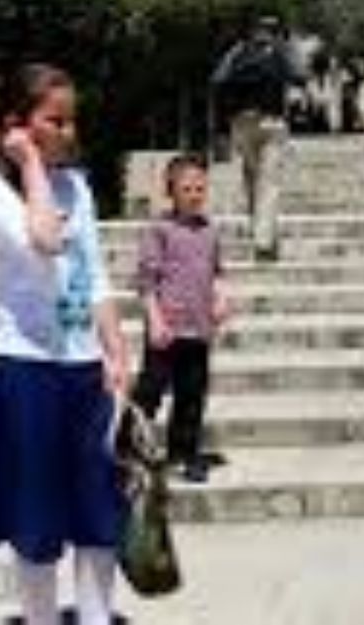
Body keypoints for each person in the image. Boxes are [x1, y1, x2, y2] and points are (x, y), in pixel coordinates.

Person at [0, 63, 131, 625]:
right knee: (35, 523)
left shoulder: (76, 185)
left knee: (100, 513)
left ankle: (97, 618)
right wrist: (30, 163)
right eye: (55, 121)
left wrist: (116, 351)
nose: (69, 132)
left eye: (72, 120)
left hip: (85, 368)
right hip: (22, 368)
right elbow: (46, 241)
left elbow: (92, 272)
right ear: (17, 125)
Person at [131, 153, 232, 484]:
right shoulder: (160, 230)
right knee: (150, 391)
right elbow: (146, 282)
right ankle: (128, 448)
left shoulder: (210, 231)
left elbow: (216, 272)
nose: (194, 195)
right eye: (186, 189)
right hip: (166, 328)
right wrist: (155, 320)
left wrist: (220, 298)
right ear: (171, 192)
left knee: (192, 394)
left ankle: (184, 453)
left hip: (198, 329)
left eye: (200, 189)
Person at [211, 16, 307, 260]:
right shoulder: (280, 51)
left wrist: (222, 127)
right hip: (272, 122)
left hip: (241, 124)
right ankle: (263, 240)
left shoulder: (238, 51)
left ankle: (262, 231)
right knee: (269, 181)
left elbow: (218, 80)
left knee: (252, 177)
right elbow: (300, 75)